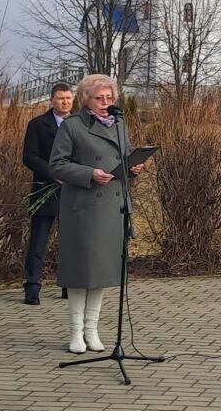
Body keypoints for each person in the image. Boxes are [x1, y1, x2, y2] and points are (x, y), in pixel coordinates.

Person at [49, 74, 142, 354]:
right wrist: (89, 173)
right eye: (100, 98)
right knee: (82, 272)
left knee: (101, 272)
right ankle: (75, 332)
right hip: (84, 207)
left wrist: (133, 168)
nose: (106, 103)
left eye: (110, 97)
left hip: (112, 207)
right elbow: (57, 165)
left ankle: (93, 330)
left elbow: (123, 158)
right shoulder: (72, 126)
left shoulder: (119, 124)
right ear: (86, 100)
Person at [21, 82, 74, 305]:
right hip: (46, 188)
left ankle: (69, 284)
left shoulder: (80, 124)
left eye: (69, 98)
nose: (65, 102)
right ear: (52, 100)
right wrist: (54, 174)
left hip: (73, 190)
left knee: (71, 241)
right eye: (61, 98)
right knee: (39, 241)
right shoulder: (38, 125)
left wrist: (75, 174)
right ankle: (32, 287)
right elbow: (30, 157)